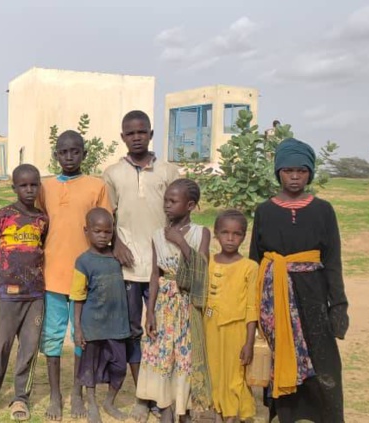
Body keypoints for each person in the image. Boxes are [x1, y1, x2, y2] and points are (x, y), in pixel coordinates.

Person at [250, 138, 348, 422]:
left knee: (323, 355)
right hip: (275, 296)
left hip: (314, 295)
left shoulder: (323, 210)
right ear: (278, 171)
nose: (295, 176)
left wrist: (338, 305)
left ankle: (326, 414)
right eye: (288, 170)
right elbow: (255, 260)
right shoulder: (264, 211)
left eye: (302, 171)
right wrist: (254, 307)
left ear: (310, 173)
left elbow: (332, 261)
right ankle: (287, 412)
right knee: (282, 351)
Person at [102, 110, 180, 398]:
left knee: (162, 328)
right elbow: (107, 216)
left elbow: (177, 216)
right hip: (129, 267)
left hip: (163, 266)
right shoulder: (112, 173)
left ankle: (164, 392)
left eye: (141, 132)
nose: (136, 137)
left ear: (151, 134)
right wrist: (115, 246)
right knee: (132, 330)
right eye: (130, 133)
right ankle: (142, 394)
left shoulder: (168, 171)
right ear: (122, 137)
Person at [37, 130, 112, 421]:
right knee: (52, 336)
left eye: (75, 152)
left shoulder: (97, 186)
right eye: (63, 152)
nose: (69, 157)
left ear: (84, 153)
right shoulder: (44, 187)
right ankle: (55, 395)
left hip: (86, 276)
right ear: (56, 155)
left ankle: (80, 393)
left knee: (82, 336)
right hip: (52, 275)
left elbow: (105, 229)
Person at [0, 164, 49, 423]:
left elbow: (43, 250)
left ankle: (21, 397)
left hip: (35, 296)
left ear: (39, 186)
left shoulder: (42, 219)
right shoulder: (3, 216)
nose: (29, 190)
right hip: (4, 295)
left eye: (34, 185)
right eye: (23, 185)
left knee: (28, 348)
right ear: (14, 187)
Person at [134, 178, 212, 422]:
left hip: (188, 305)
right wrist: (150, 311)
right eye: (165, 200)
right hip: (164, 305)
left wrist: (180, 242)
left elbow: (201, 267)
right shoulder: (158, 235)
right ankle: (165, 408)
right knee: (162, 356)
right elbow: (155, 274)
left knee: (185, 358)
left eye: (173, 201)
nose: (167, 205)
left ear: (189, 205)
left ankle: (184, 410)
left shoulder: (202, 234)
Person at [71, 208, 131, 423]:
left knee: (119, 366)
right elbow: (77, 297)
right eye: (97, 231)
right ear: (87, 231)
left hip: (117, 324)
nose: (103, 236)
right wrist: (78, 328)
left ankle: (109, 402)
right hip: (93, 325)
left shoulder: (117, 258)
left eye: (108, 232)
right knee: (90, 367)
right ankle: (93, 403)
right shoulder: (83, 261)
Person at [205, 210, 258, 422]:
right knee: (215, 373)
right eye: (224, 233)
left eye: (236, 234)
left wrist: (250, 341)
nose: (230, 238)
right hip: (210, 328)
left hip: (236, 330)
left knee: (235, 375)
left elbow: (251, 306)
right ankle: (218, 412)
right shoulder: (207, 260)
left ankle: (232, 415)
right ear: (216, 234)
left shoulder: (249, 267)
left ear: (244, 236)